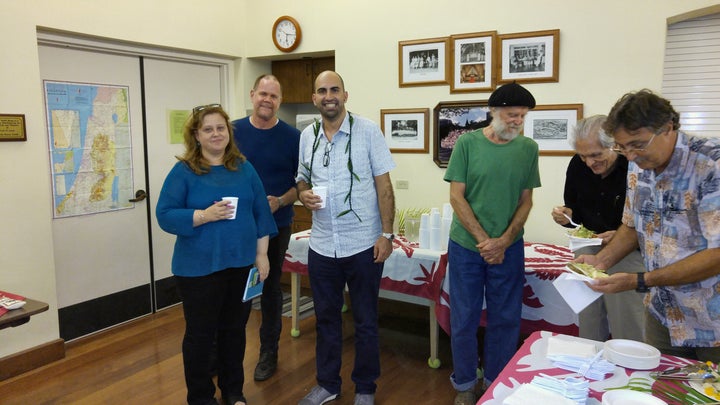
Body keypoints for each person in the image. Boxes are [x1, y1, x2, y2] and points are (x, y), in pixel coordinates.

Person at [578, 89, 720, 362]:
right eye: (622, 147)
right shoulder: (638, 164)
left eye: (638, 144)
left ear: (668, 128)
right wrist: (600, 261)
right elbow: (632, 226)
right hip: (663, 313)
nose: (630, 156)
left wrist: (640, 280)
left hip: (711, 320)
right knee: (659, 390)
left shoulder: (711, 165)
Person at [156, 104, 278, 405]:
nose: (215, 134)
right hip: (197, 270)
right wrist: (202, 215)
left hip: (239, 267)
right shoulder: (184, 171)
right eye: (208, 129)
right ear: (197, 135)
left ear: (228, 132)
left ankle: (233, 391)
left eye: (220, 128)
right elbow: (165, 215)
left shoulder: (244, 168)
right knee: (200, 337)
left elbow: (261, 213)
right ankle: (200, 397)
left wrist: (262, 255)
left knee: (234, 333)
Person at [296, 71, 396, 405]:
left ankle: (365, 388)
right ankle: (328, 384)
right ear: (315, 98)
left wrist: (386, 234)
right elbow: (301, 179)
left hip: (363, 244)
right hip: (322, 245)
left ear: (345, 95)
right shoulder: (307, 136)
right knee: (326, 320)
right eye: (322, 91)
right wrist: (304, 193)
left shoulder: (367, 131)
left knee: (366, 321)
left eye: (334, 89)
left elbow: (384, 186)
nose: (329, 96)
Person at [444, 81, 541, 405]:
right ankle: (465, 384)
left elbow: (526, 201)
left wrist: (504, 241)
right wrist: (486, 241)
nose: (518, 122)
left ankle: (496, 381)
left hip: (509, 248)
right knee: (465, 317)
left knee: (506, 318)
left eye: (523, 117)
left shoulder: (528, 149)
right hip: (467, 247)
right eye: (512, 115)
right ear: (494, 112)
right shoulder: (467, 144)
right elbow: (456, 197)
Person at [551, 115, 645, 342]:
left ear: (614, 145)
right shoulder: (576, 165)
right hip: (587, 248)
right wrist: (567, 215)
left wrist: (621, 235)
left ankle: (630, 370)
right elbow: (574, 206)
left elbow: (646, 220)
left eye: (596, 155)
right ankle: (591, 369)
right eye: (584, 156)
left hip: (627, 252)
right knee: (589, 317)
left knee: (628, 319)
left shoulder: (635, 168)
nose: (590, 163)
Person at [232, 74, 300, 381]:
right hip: (236, 228)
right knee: (236, 290)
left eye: (273, 96)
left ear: (280, 101)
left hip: (276, 226)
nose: (267, 100)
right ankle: (227, 356)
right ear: (252, 95)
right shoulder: (231, 132)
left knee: (270, 290)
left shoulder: (292, 137)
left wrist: (282, 201)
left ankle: (268, 353)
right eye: (262, 94)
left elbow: (302, 185)